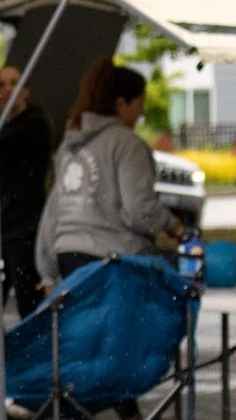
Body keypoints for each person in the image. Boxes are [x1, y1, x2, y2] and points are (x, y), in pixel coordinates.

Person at [35, 60, 169, 285]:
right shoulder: (128, 144)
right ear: (121, 103)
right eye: (140, 103)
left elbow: (55, 209)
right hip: (112, 257)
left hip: (67, 254)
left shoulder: (71, 145)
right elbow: (139, 211)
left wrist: (47, 271)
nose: (142, 112)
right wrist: (171, 224)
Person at [0, 65, 55, 316]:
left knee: (26, 298)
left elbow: (3, 141)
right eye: (1, 85)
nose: (8, 90)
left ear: (26, 91)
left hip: (24, 226)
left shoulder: (35, 124)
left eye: (14, 84)